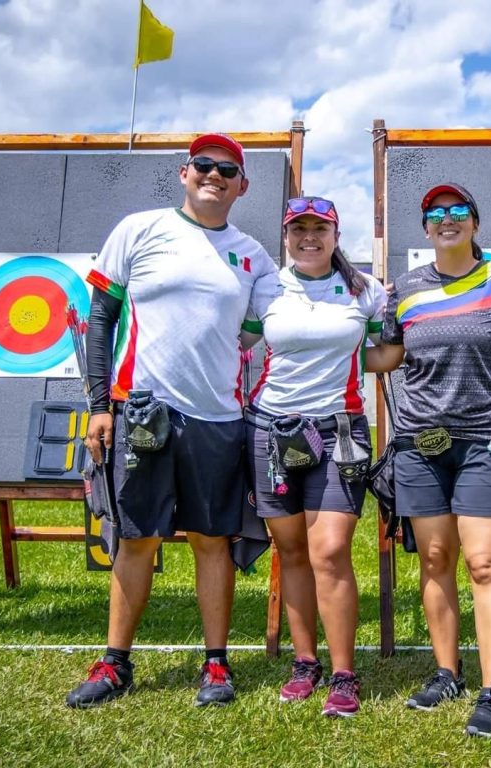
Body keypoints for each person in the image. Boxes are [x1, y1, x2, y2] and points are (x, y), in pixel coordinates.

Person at [66, 133, 280, 709]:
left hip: (219, 417)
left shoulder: (253, 254)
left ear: (242, 185)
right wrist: (98, 404)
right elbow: (101, 316)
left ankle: (215, 665)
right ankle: (115, 664)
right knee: (136, 540)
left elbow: (270, 321)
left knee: (212, 541)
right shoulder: (138, 229)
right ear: (184, 173)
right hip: (142, 412)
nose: (215, 175)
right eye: (204, 165)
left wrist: (243, 342)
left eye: (227, 169)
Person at [366, 183, 491, 738]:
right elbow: (387, 355)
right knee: (435, 561)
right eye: (435, 213)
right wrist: (329, 332)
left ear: (475, 223)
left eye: (458, 210)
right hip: (419, 444)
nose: (446, 219)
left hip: (489, 441)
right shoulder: (405, 291)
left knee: (485, 564)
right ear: (426, 228)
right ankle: (446, 672)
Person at [241, 197, 386, 717]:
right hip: (270, 429)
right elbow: (238, 342)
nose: (308, 237)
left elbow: (386, 350)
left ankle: (344, 673)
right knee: (293, 551)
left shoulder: (366, 290)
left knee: (329, 550)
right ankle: (306, 662)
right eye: (297, 228)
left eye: (318, 228)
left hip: (340, 430)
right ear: (285, 235)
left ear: (334, 233)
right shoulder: (265, 287)